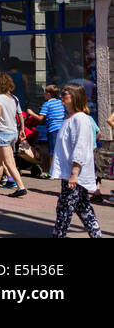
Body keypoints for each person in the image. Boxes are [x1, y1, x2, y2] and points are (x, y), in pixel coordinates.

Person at [51, 84, 102, 238]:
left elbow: (80, 147)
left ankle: (58, 235)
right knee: (82, 207)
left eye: (64, 94)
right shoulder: (69, 117)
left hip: (75, 174)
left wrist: (74, 173)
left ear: (74, 97)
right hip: (71, 173)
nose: (61, 96)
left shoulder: (80, 119)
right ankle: (97, 235)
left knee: (64, 208)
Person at [0, 72, 27, 197]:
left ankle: (21, 187)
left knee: (9, 162)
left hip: (3, 133)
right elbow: (20, 114)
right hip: (13, 132)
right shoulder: (14, 98)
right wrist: (22, 128)